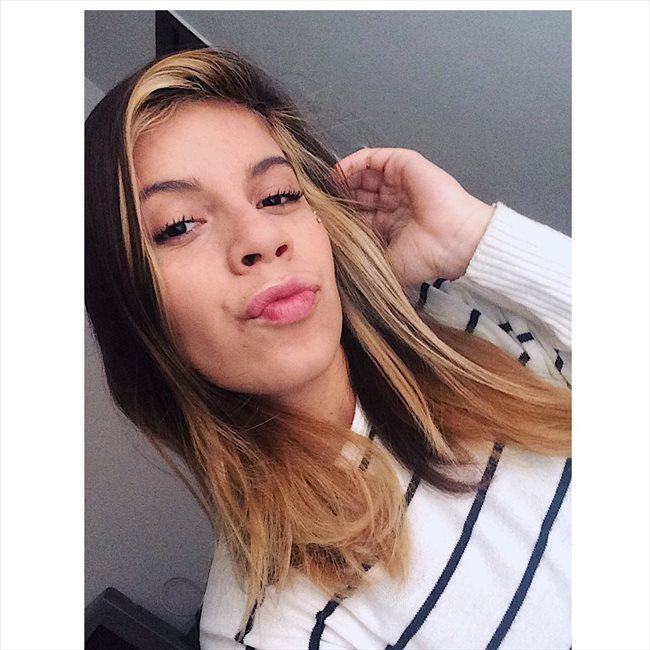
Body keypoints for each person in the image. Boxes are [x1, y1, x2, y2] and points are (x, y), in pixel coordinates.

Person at [85, 47, 571, 649]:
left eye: (277, 196)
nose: (260, 236)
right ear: (136, 316)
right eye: (179, 226)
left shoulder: (469, 313)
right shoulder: (275, 632)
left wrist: (471, 236)